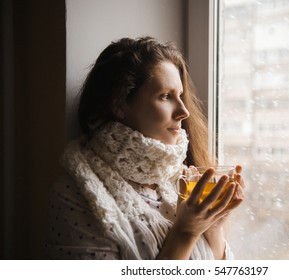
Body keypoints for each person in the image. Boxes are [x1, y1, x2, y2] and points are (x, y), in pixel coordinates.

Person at [45, 36, 244, 260]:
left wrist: (213, 226)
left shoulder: (183, 179)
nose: (183, 111)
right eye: (166, 96)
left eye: (180, 96)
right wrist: (185, 232)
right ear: (120, 104)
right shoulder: (76, 196)